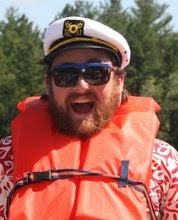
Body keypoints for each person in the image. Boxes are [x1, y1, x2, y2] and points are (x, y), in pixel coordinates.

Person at [0, 16, 177, 220]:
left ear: (119, 81)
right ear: (49, 84)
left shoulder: (164, 162)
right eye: (65, 75)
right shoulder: (6, 159)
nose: (81, 86)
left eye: (96, 73)